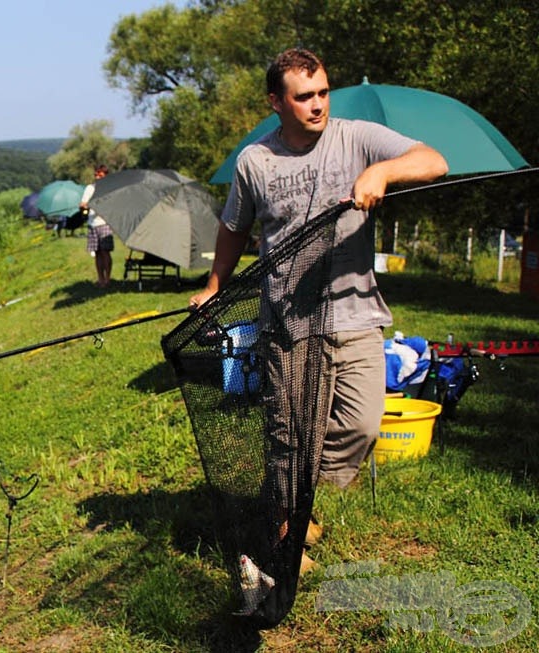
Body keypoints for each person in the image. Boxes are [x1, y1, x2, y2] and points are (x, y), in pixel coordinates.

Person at [188, 48, 447, 565]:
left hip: (356, 314)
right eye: (303, 96)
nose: (317, 105)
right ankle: (287, 529)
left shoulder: (356, 138)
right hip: (287, 319)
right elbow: (235, 227)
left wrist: (383, 174)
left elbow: (433, 161)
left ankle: (293, 496)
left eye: (323, 92)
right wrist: (217, 284)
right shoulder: (255, 161)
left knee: (362, 423)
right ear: (276, 103)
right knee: (289, 431)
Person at [80, 164, 113, 287]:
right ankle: (100, 279)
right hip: (92, 224)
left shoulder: (109, 189)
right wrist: (87, 205)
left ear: (105, 176)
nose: (97, 177)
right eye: (96, 175)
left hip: (104, 223)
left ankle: (108, 279)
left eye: (100, 175)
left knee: (105, 252)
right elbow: (83, 204)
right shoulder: (89, 188)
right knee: (97, 252)